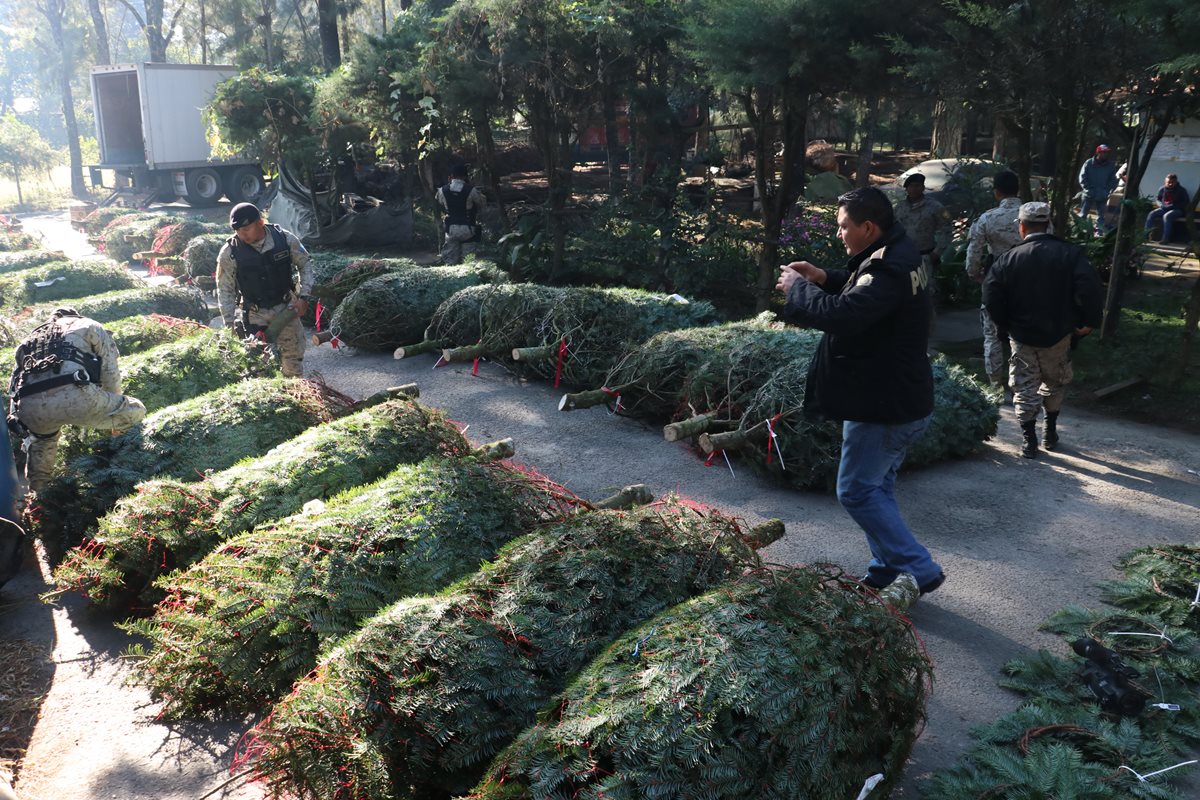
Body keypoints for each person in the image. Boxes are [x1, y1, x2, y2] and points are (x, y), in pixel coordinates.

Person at [776, 186, 945, 597]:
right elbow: (866, 297)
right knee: (877, 487)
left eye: (844, 227)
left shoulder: (889, 266)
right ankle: (885, 569)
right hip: (892, 395)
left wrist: (799, 288)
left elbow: (846, 315)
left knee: (855, 489)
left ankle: (918, 569)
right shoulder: (897, 251)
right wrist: (824, 277)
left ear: (868, 227)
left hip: (883, 404)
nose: (839, 235)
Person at [982, 202, 1104, 459]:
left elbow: (991, 296)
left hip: (1022, 336)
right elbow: (1090, 288)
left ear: (1021, 226)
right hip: (1059, 334)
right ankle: (1050, 430)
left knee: (1024, 386)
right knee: (1055, 381)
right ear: (1048, 224)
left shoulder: (1008, 259)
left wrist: (1005, 326)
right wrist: (1088, 320)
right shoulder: (1070, 254)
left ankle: (1029, 440)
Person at [6, 308, 146, 493]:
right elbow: (110, 372)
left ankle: (37, 498)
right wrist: (115, 404)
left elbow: (14, 387)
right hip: (75, 395)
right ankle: (127, 457)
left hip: (30, 407)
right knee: (136, 409)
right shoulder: (89, 325)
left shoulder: (27, 342)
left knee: (42, 442)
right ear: (74, 316)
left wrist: (18, 420)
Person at [215, 202, 313, 378]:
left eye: (246, 228)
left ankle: (295, 396)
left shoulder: (284, 239)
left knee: (293, 361)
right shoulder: (229, 252)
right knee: (259, 367)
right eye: (238, 230)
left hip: (286, 309)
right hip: (254, 315)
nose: (242, 234)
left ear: (260, 223)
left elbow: (305, 264)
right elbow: (225, 289)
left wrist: (303, 297)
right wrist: (228, 323)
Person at [965, 170, 1024, 397]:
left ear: (997, 192)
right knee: (1020, 334)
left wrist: (975, 275)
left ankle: (995, 386)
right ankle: (1020, 384)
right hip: (1027, 283)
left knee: (991, 334)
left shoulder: (988, 218)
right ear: (1018, 190)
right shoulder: (1034, 217)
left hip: (995, 282)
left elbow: (974, 253)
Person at [892, 172, 950, 275]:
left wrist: (937, 252)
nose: (914, 189)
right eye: (911, 186)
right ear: (906, 189)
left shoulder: (935, 207)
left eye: (917, 186)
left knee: (928, 288)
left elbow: (946, 229)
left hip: (925, 256)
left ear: (923, 188)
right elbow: (892, 229)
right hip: (903, 257)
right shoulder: (899, 208)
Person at [436, 162, 486, 265]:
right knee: (468, 262)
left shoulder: (442, 190)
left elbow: (439, 201)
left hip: (451, 230)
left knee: (450, 262)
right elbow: (482, 202)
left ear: (451, 176)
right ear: (465, 176)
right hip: (468, 229)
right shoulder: (471, 190)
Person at [1078, 144, 1118, 236]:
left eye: (1107, 153)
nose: (1106, 155)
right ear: (1098, 153)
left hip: (1102, 194)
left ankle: (1099, 233)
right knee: (1083, 214)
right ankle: (1079, 231)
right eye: (1104, 153)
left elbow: (1113, 180)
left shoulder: (1110, 166)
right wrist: (1088, 189)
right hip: (1088, 193)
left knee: (1101, 216)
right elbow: (1082, 177)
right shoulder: (1088, 163)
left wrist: (1106, 190)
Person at [1144, 173, 1191, 244]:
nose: (1170, 184)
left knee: (1167, 216)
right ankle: (1145, 237)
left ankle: (1165, 239)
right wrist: (1161, 205)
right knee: (1151, 214)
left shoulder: (1181, 190)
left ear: (1176, 182)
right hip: (1164, 208)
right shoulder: (1162, 189)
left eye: (1172, 182)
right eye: (1168, 182)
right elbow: (1158, 199)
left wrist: (1173, 206)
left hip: (1177, 210)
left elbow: (1185, 203)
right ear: (1165, 182)